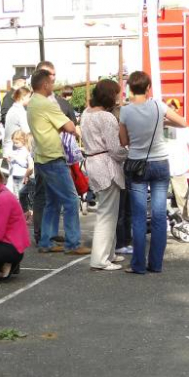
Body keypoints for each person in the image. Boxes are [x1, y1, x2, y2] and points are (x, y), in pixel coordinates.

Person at [119, 71, 187, 274]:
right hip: (160, 164)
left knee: (139, 217)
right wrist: (162, 123)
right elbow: (183, 123)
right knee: (158, 215)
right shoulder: (159, 105)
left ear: (130, 89)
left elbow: (123, 141)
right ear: (149, 88)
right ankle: (156, 264)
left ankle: (138, 265)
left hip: (137, 164)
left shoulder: (126, 111)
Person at [27, 69, 90, 255]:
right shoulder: (47, 104)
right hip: (53, 157)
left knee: (52, 201)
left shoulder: (32, 102)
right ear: (45, 84)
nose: (53, 86)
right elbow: (70, 126)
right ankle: (73, 243)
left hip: (41, 157)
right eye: (51, 83)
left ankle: (46, 241)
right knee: (70, 200)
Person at [81, 79, 129, 271]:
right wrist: (129, 152)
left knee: (108, 211)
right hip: (106, 166)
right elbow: (115, 149)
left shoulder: (86, 113)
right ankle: (100, 259)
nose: (119, 96)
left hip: (93, 162)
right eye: (117, 93)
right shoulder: (107, 117)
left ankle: (108, 254)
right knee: (107, 215)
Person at [166, 120, 189, 221]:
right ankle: (186, 219)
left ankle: (185, 219)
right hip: (176, 166)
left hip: (171, 166)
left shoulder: (157, 124)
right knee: (181, 196)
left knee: (164, 197)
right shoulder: (182, 125)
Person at [3, 87, 32, 155]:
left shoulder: (12, 109)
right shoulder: (20, 112)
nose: (30, 99)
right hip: (16, 149)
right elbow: (26, 131)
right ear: (23, 97)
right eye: (29, 97)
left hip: (9, 147)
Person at [6, 130, 33, 197]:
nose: (15, 144)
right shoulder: (16, 150)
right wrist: (10, 160)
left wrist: (16, 159)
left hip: (22, 175)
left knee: (21, 193)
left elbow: (25, 164)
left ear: (23, 141)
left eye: (16, 143)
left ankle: (22, 206)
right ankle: (18, 204)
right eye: (14, 143)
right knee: (15, 193)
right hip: (15, 174)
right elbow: (13, 164)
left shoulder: (25, 151)